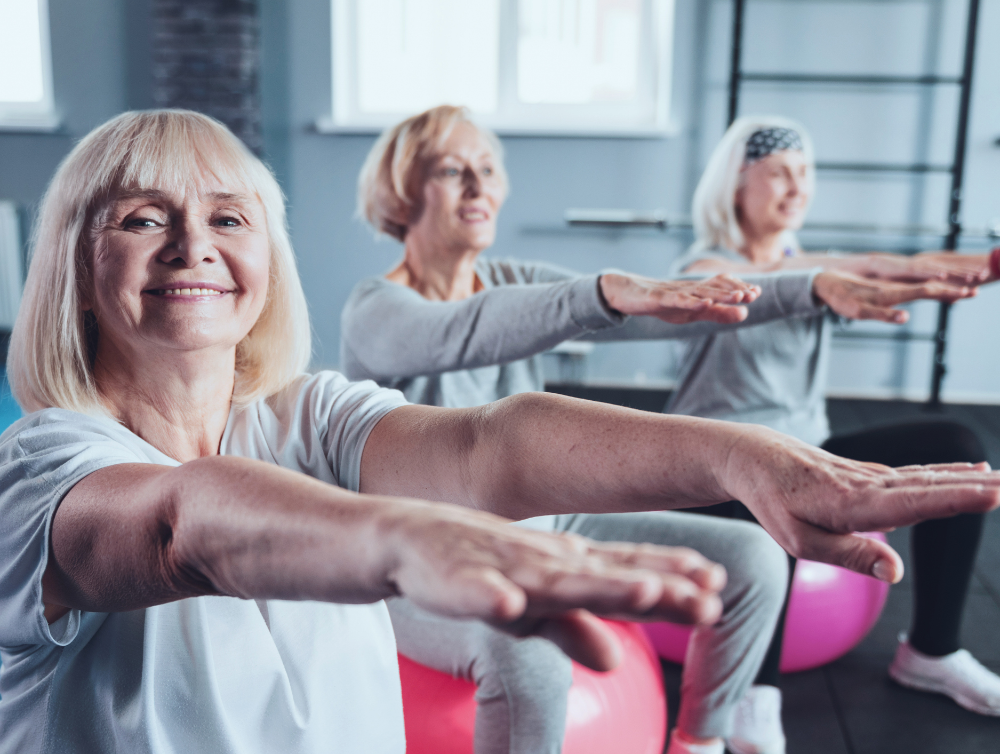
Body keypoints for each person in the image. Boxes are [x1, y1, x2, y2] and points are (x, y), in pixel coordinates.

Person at [3, 112, 995, 754]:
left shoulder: (302, 412)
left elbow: (489, 444)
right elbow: (182, 525)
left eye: (228, 216)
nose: (193, 245)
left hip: (499, 537)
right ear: (74, 266)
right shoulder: (45, 466)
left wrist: (738, 455)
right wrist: (405, 535)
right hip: (431, 566)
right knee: (523, 655)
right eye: (141, 218)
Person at [340, 105, 981, 754]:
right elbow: (464, 332)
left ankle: (696, 742)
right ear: (403, 190)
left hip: (545, 523)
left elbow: (667, 307)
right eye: (454, 171)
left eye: (487, 168)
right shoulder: (375, 309)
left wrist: (812, 288)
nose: (480, 187)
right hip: (427, 550)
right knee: (531, 656)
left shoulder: (516, 279)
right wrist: (600, 295)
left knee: (756, 560)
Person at [668, 114, 1000, 754]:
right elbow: (759, 288)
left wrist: (989, 264)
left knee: (956, 446)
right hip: (712, 469)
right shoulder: (703, 264)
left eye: (805, 173)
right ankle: (753, 694)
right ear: (738, 183)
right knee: (768, 482)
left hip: (808, 452)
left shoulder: (811, 262)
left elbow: (893, 265)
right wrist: (821, 283)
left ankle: (931, 652)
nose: (798, 187)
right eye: (781, 173)